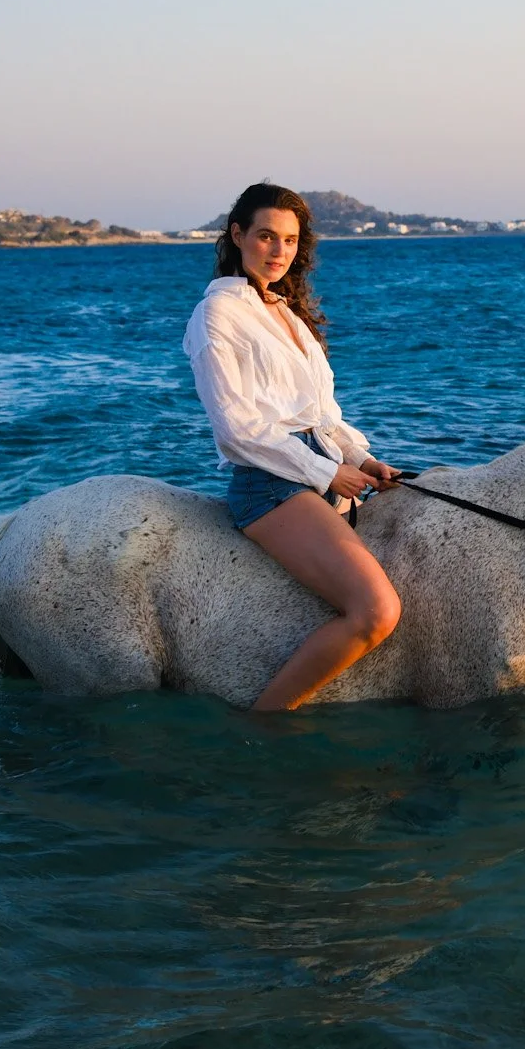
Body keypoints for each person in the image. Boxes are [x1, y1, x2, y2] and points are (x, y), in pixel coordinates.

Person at [183, 183, 404, 711]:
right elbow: (238, 427)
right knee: (376, 611)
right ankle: (267, 720)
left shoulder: (288, 315)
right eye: (265, 236)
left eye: (288, 240)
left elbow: (323, 416)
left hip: (318, 467)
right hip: (271, 484)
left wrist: (361, 459)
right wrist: (327, 475)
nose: (278, 251)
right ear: (237, 236)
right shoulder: (217, 316)